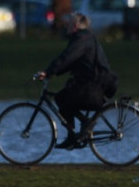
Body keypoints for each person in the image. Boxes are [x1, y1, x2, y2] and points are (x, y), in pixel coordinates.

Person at [36, 12, 114, 149]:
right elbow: (70, 62)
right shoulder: (85, 38)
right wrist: (51, 73)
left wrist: (48, 72)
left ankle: (80, 130)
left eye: (69, 23)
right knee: (62, 98)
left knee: (62, 99)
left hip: (93, 85)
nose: (66, 25)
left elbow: (67, 57)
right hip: (94, 83)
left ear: (75, 25)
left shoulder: (82, 39)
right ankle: (76, 132)